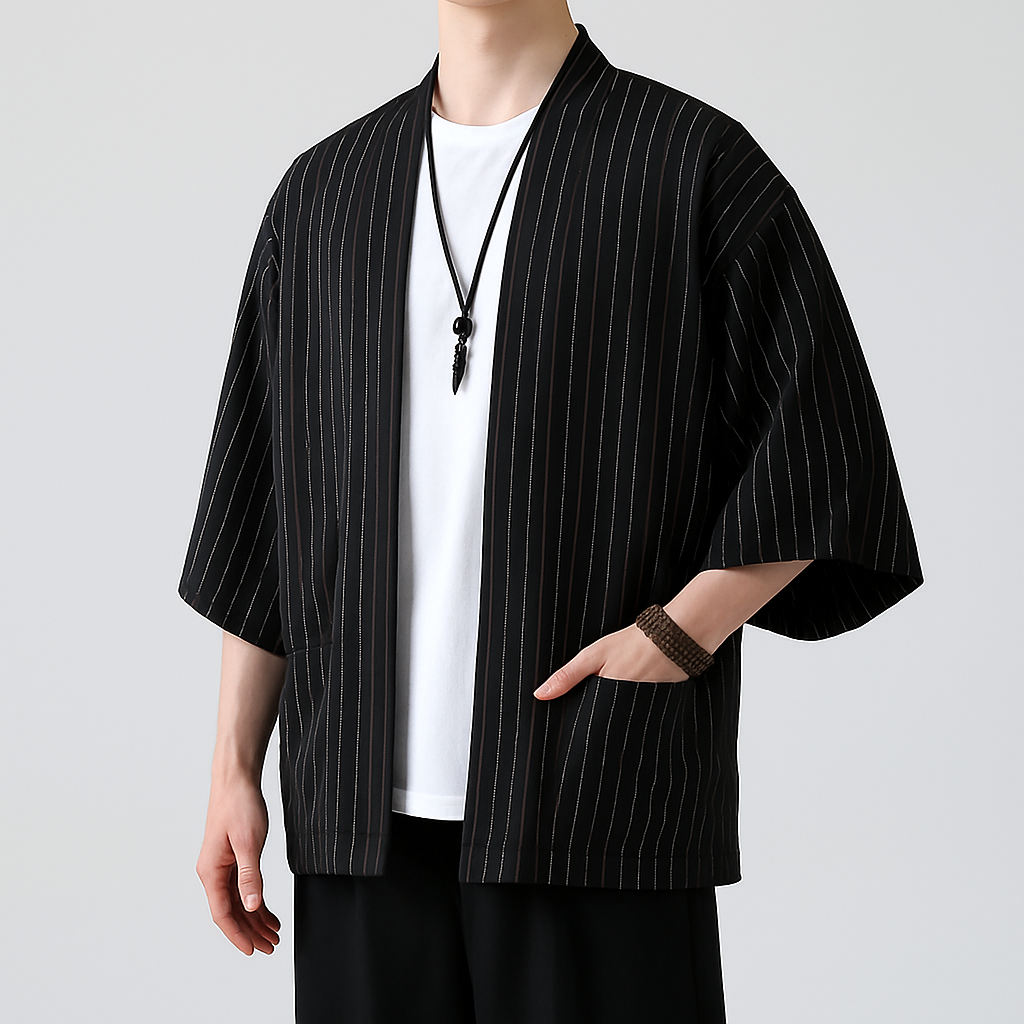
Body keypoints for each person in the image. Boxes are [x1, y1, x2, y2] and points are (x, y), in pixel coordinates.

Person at [180, 2, 924, 1022]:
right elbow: (266, 502)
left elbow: (820, 449)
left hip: (595, 797)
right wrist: (233, 768)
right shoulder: (326, 192)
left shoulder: (689, 163)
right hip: (357, 817)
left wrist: (677, 633)